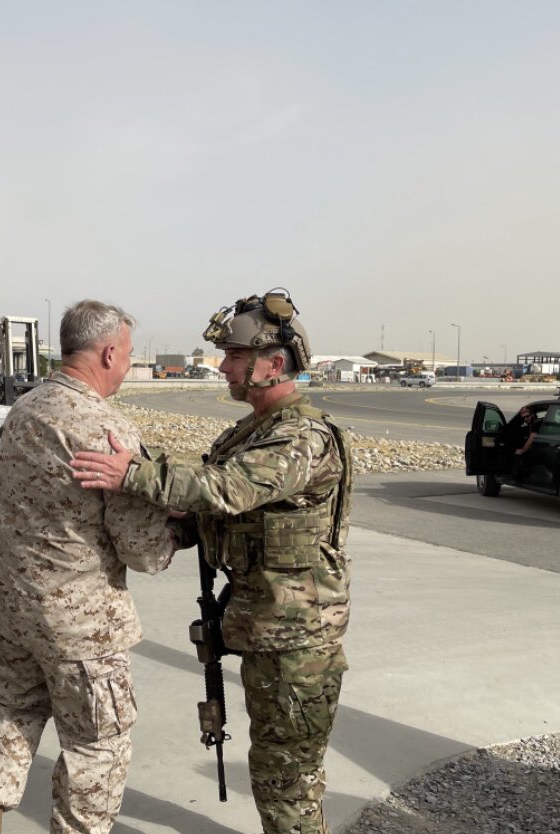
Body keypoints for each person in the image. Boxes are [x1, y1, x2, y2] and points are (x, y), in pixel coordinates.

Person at [71, 290, 352, 834]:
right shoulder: (249, 432)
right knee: (272, 765)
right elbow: (214, 512)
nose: (223, 367)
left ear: (273, 366)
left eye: (235, 358)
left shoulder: (302, 437)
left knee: (286, 775)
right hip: (265, 627)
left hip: (297, 641)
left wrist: (135, 473)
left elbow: (228, 489)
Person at [0, 300, 177, 834]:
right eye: (127, 355)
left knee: (13, 705)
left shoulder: (26, 410)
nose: (127, 366)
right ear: (108, 353)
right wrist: (175, 528)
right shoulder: (109, 432)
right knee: (96, 743)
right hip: (78, 622)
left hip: (9, 601)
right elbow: (142, 551)